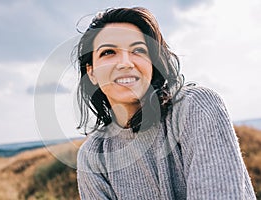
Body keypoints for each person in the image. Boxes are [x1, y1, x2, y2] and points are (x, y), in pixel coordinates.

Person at [74, 7, 256, 199]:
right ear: (91, 72)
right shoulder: (92, 157)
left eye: (138, 50)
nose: (125, 63)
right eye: (109, 52)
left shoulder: (196, 106)